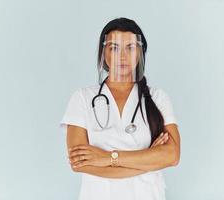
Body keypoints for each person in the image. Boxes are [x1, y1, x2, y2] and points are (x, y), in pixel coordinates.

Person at [59, 17, 181, 200]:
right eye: (114, 47)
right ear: (103, 53)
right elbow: (79, 163)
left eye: (130, 47)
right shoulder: (82, 98)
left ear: (140, 52)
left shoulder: (158, 97)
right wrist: (149, 159)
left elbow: (172, 155)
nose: (122, 56)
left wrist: (107, 158)